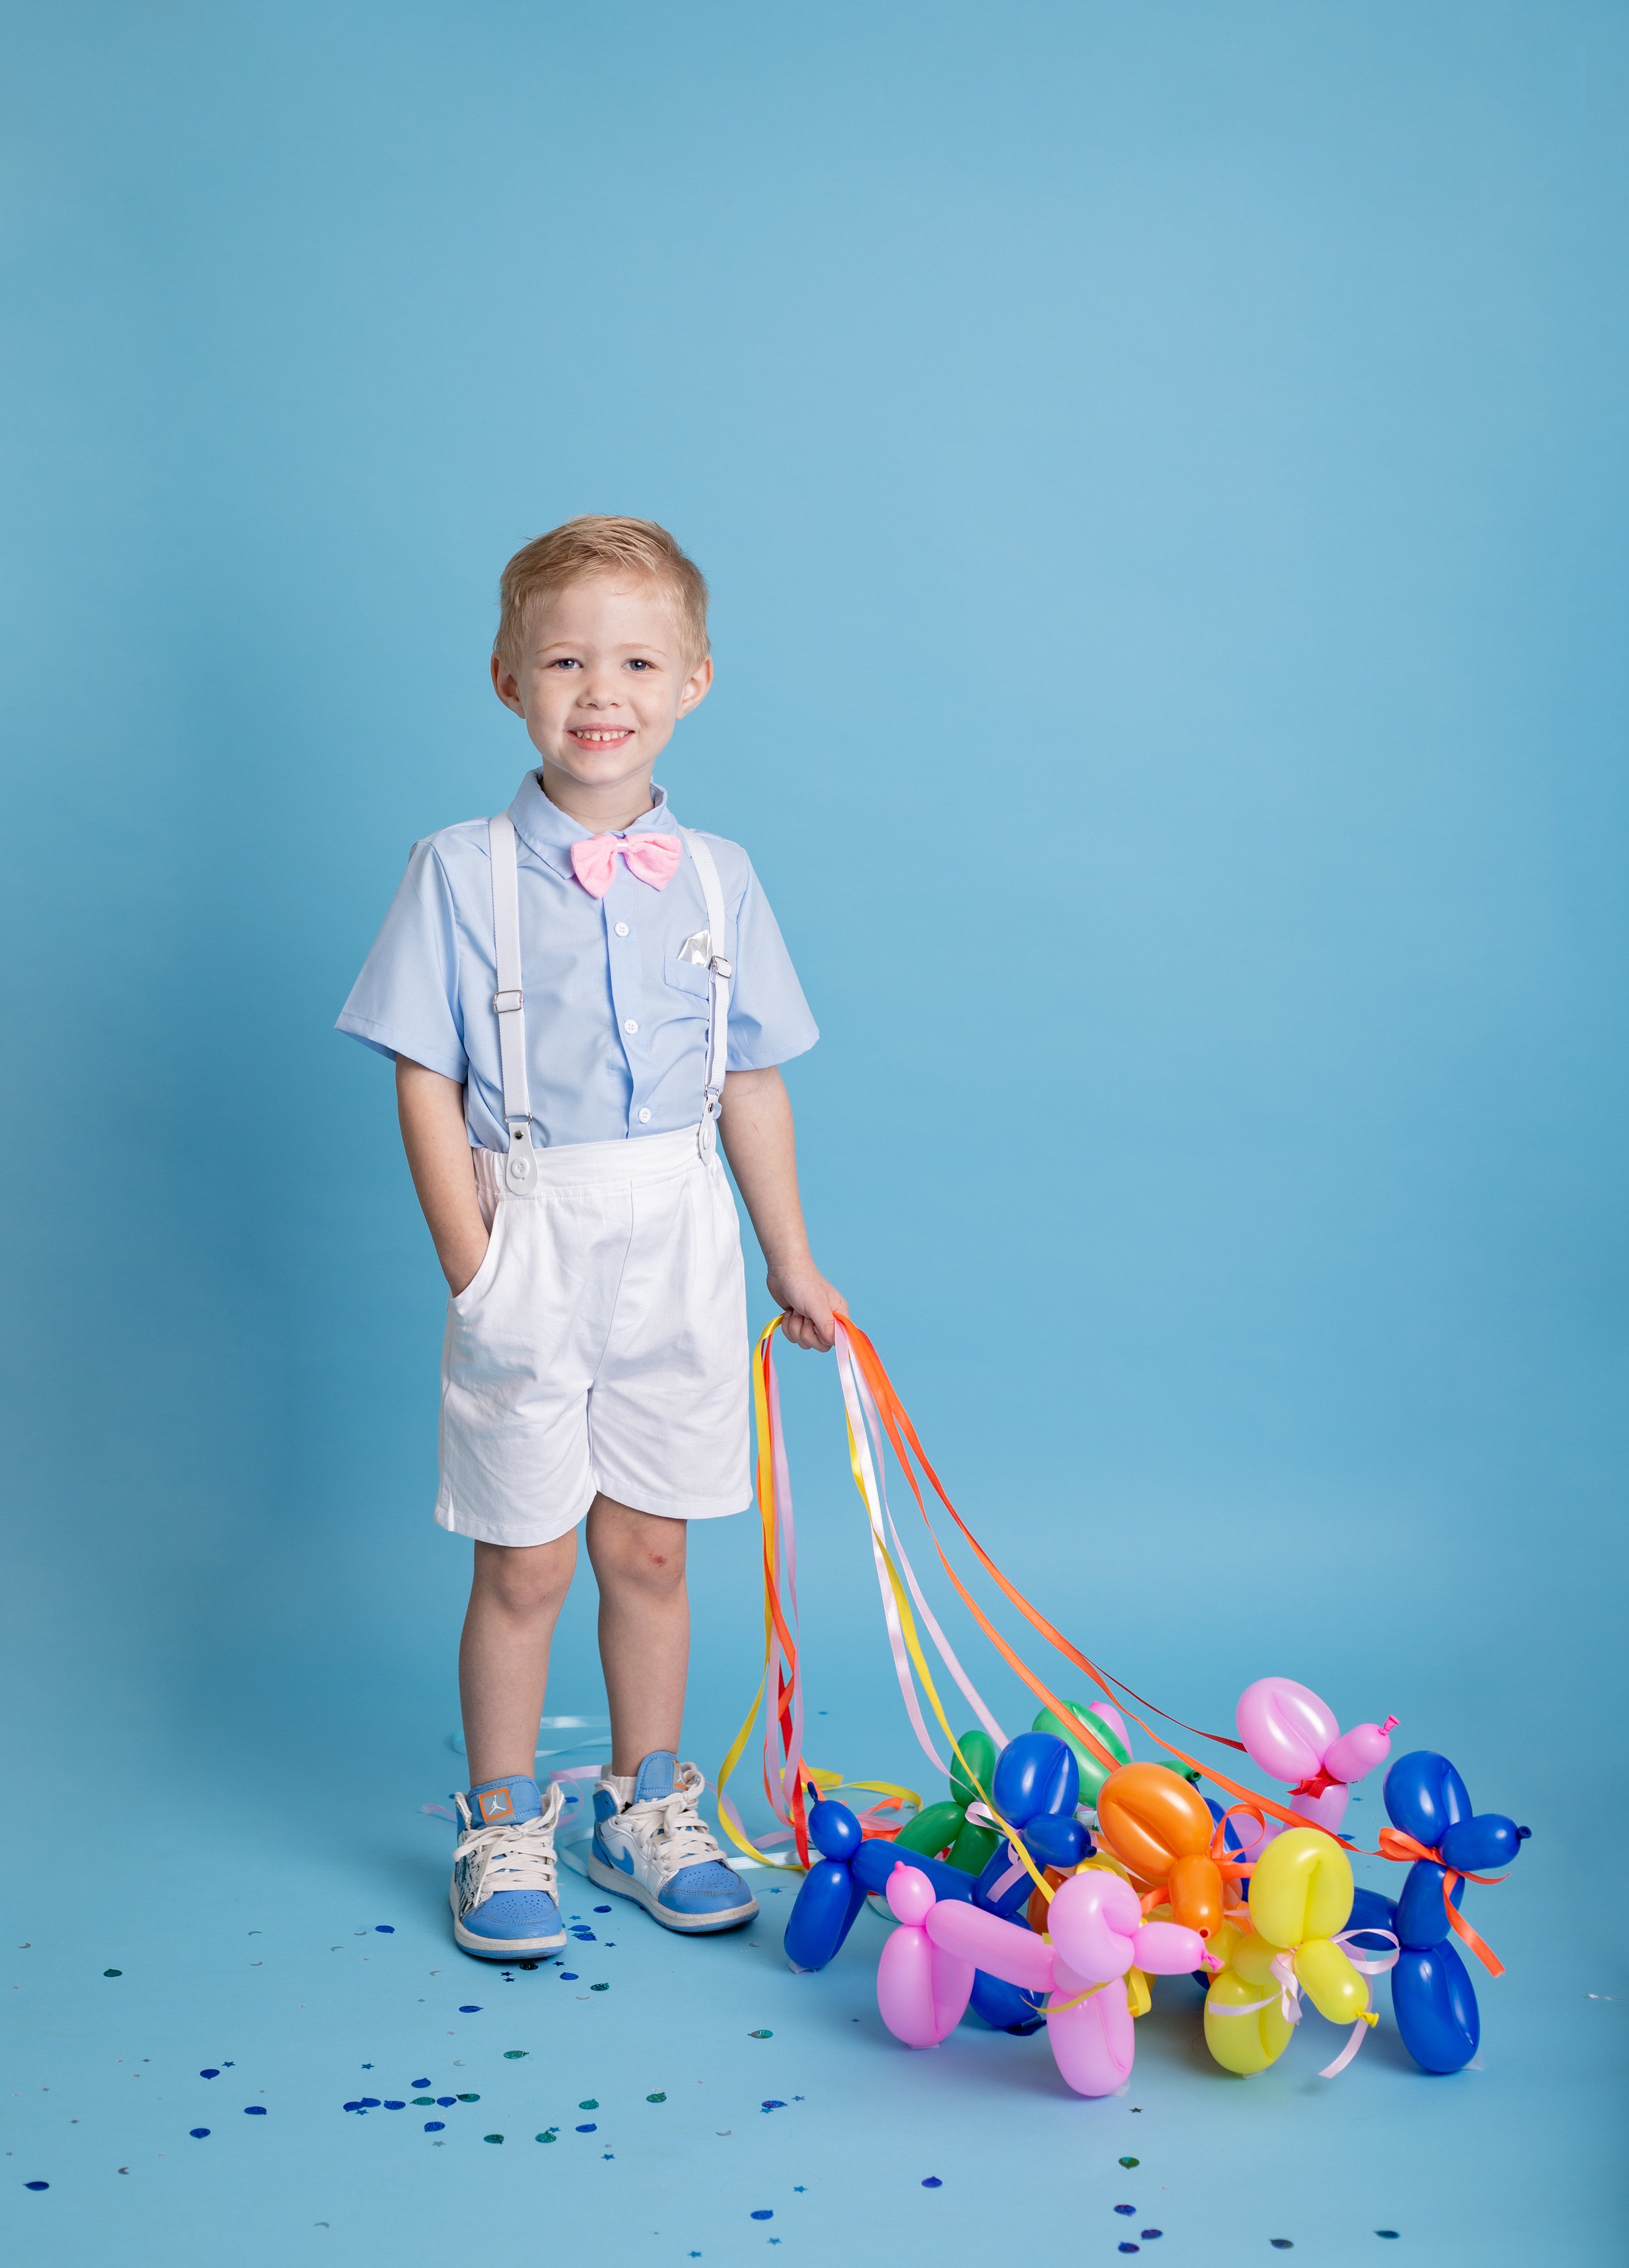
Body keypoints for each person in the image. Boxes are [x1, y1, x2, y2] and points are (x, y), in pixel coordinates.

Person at [338, 517, 844, 1960]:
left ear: (693, 679)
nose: (599, 689)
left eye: (635, 660)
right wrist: (474, 1264)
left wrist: (786, 1257)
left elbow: (750, 1077)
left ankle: (646, 1804)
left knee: (652, 1550)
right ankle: (503, 1824)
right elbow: (421, 1075)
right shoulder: (460, 870)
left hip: (678, 1229)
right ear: (507, 678)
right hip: (530, 1229)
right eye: (565, 660)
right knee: (526, 1561)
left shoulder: (720, 875)